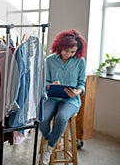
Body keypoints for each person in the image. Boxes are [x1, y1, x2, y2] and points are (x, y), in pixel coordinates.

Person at [39, 29, 87, 165]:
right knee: (42, 118)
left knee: (62, 117)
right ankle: (52, 139)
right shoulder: (49, 60)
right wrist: (49, 85)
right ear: (59, 47)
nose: (69, 54)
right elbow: (43, 83)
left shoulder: (80, 62)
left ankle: (48, 148)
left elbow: (81, 84)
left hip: (71, 100)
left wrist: (78, 91)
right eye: (66, 51)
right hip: (52, 97)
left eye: (72, 52)